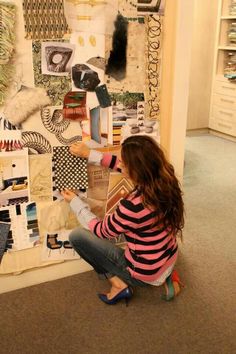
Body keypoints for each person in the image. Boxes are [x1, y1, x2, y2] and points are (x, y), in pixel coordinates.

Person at [61, 135, 184, 306]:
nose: (120, 165)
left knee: (78, 237)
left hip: (145, 272)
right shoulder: (166, 176)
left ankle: (118, 285)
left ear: (136, 170)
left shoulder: (134, 206)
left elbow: (101, 230)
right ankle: (167, 276)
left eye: (124, 164)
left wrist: (75, 202)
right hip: (168, 257)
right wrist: (89, 154)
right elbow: (117, 164)